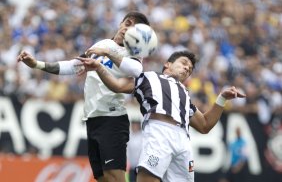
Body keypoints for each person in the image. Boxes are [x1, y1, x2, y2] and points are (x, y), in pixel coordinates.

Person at [17, 11, 150, 182]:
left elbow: (137, 70)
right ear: (120, 23)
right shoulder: (103, 44)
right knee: (102, 178)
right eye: (127, 23)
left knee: (115, 178)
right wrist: (37, 64)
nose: (128, 28)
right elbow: (74, 66)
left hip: (112, 120)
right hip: (93, 120)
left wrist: (108, 53)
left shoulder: (131, 53)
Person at [77, 50, 246, 182]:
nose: (187, 68)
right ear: (168, 64)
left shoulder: (185, 95)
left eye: (190, 69)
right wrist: (99, 67)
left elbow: (205, 125)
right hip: (159, 133)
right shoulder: (148, 77)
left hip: (183, 141)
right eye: (184, 63)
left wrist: (222, 99)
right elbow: (118, 85)